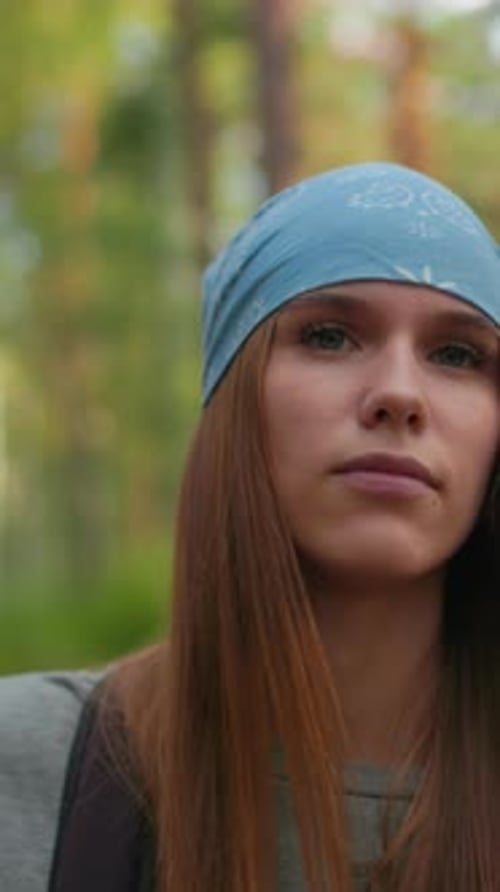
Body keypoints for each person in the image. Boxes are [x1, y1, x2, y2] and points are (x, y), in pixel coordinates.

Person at [1, 160, 500, 892]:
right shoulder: (35, 776)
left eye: (456, 354)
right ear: (233, 401)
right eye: (330, 336)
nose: (399, 392)